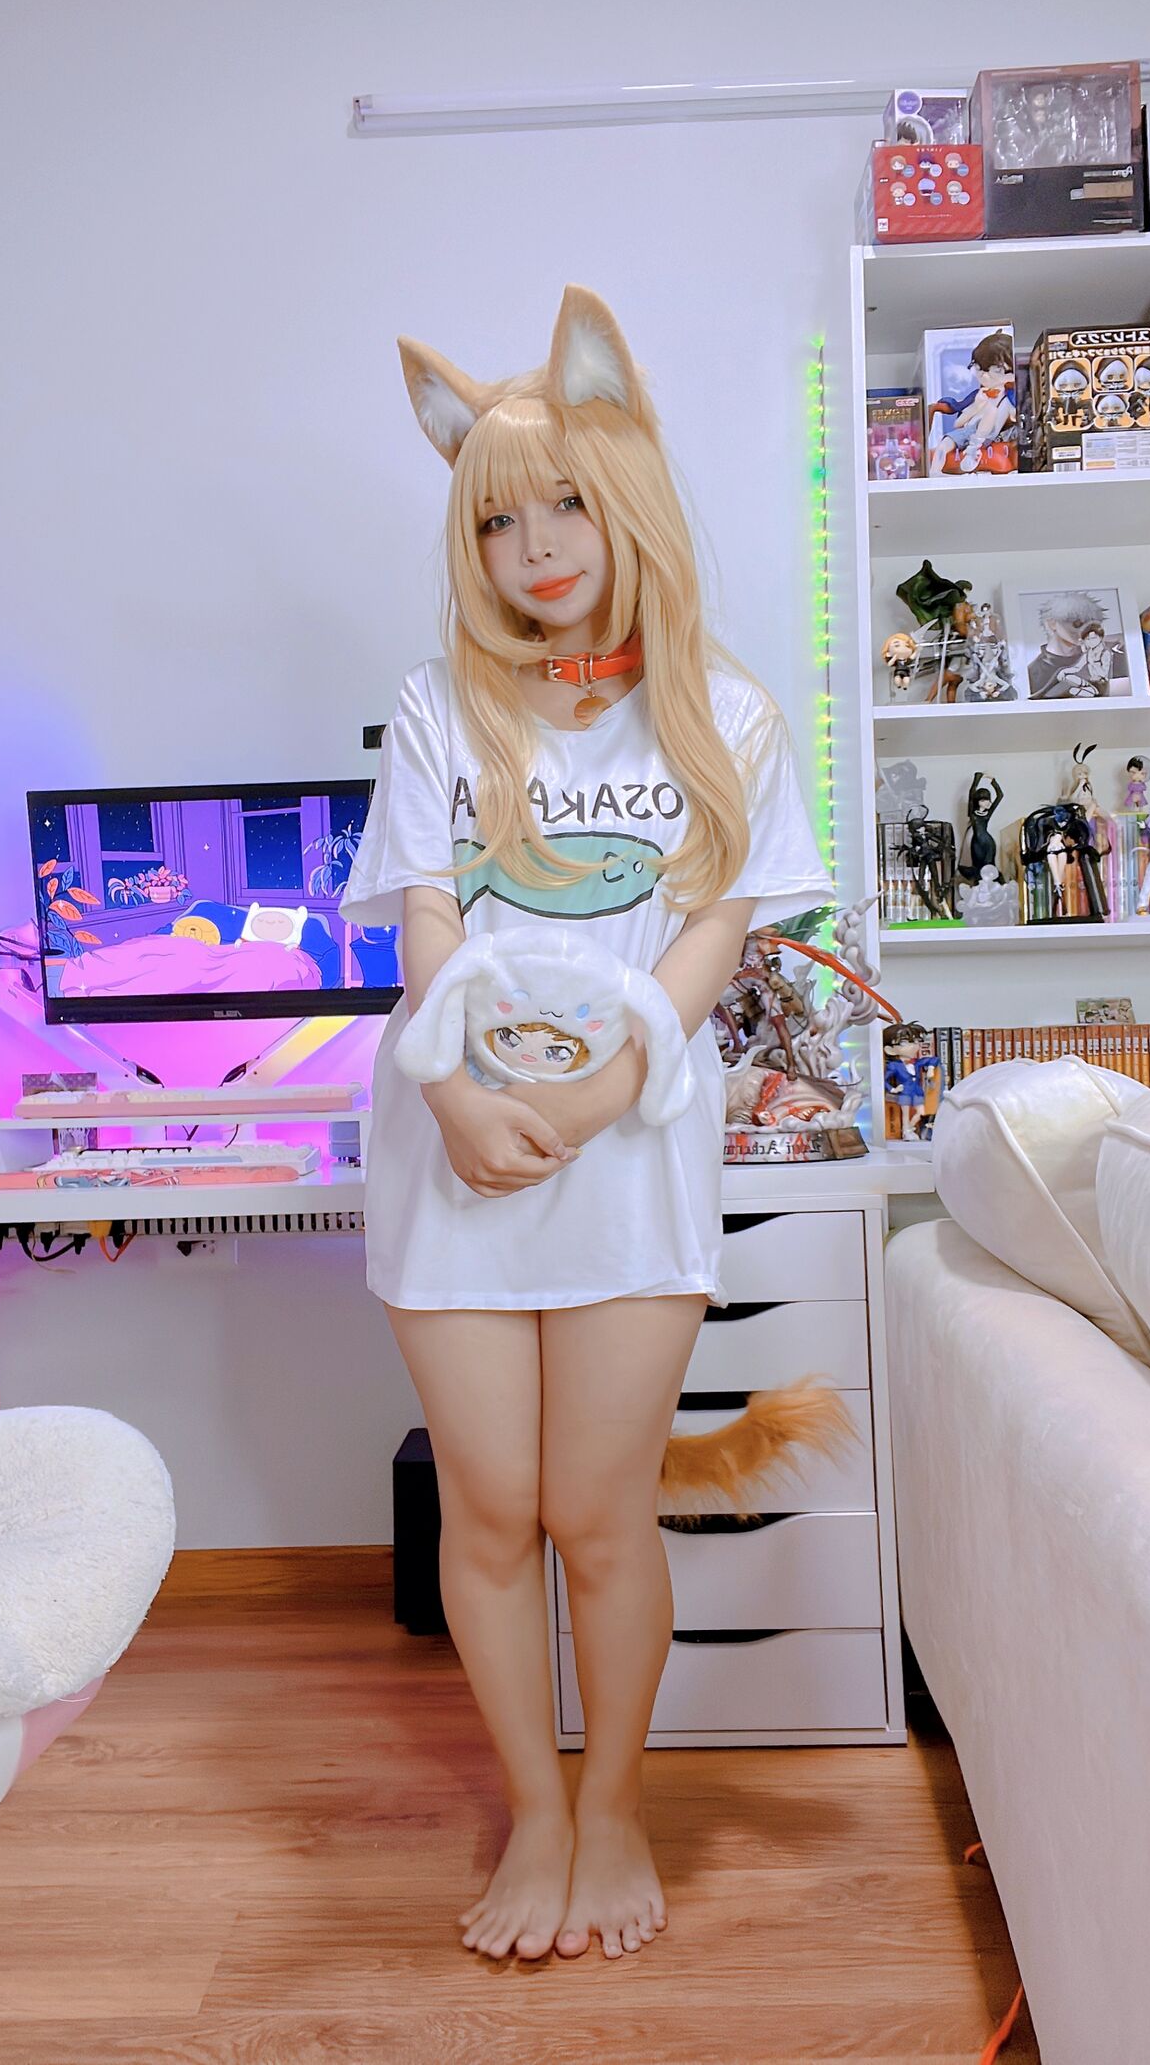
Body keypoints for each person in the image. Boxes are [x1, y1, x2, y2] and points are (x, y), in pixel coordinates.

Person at [340, 285, 833, 1965]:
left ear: (625, 498)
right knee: (488, 1515)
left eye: (562, 502)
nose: (535, 546)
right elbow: (425, 920)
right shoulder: (439, 707)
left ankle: (612, 1806)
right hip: (452, 1155)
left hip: (628, 1159)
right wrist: (456, 1092)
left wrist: (606, 1090)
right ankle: (537, 1814)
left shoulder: (728, 715)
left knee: (598, 1514)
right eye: (496, 517)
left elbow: (712, 938)